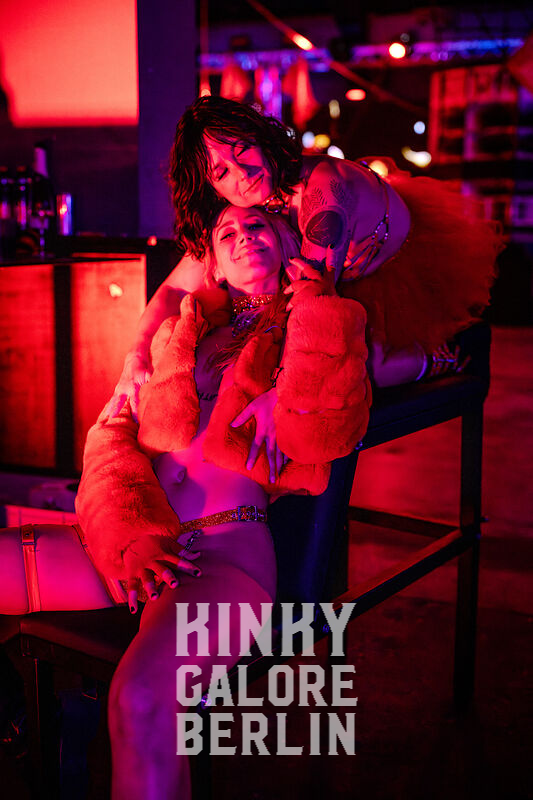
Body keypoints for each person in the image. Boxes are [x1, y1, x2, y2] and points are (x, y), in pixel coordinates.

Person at [0, 205, 375, 799]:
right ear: (214, 267)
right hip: (130, 540)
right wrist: (131, 537)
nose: (243, 236)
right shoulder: (177, 336)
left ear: (285, 244)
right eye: (226, 233)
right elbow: (109, 438)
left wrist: (310, 311)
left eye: (257, 226)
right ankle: (14, 718)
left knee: (141, 700)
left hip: (222, 555)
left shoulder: (311, 332)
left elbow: (327, 427)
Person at [107, 95, 502, 423]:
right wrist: (135, 357)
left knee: (357, 373)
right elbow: (177, 287)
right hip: (324, 286)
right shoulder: (249, 199)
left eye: (242, 149)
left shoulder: (322, 191)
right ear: (211, 187)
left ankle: (439, 355)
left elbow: (313, 312)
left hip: (390, 272)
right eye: (222, 171)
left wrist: (278, 395)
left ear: (260, 136)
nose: (241, 173)